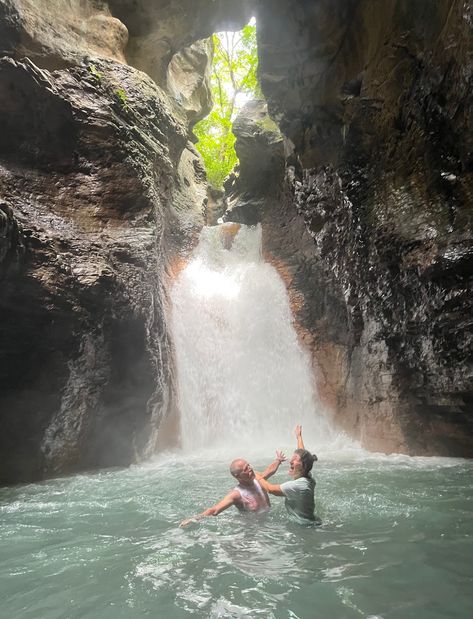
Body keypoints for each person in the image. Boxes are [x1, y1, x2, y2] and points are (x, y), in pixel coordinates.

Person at [180, 451, 286, 527]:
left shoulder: (257, 477)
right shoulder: (237, 494)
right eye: (246, 469)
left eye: (249, 465)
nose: (251, 469)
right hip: (253, 527)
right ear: (237, 476)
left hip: (270, 520)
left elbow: (268, 471)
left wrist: (278, 461)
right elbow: (215, 510)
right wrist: (193, 519)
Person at [258, 425, 320, 523]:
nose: (291, 461)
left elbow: (271, 489)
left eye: (295, 459)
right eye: (293, 457)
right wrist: (299, 437)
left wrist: (255, 475)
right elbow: (303, 455)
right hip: (311, 522)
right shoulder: (307, 475)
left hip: (304, 527)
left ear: (303, 466)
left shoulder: (298, 485)